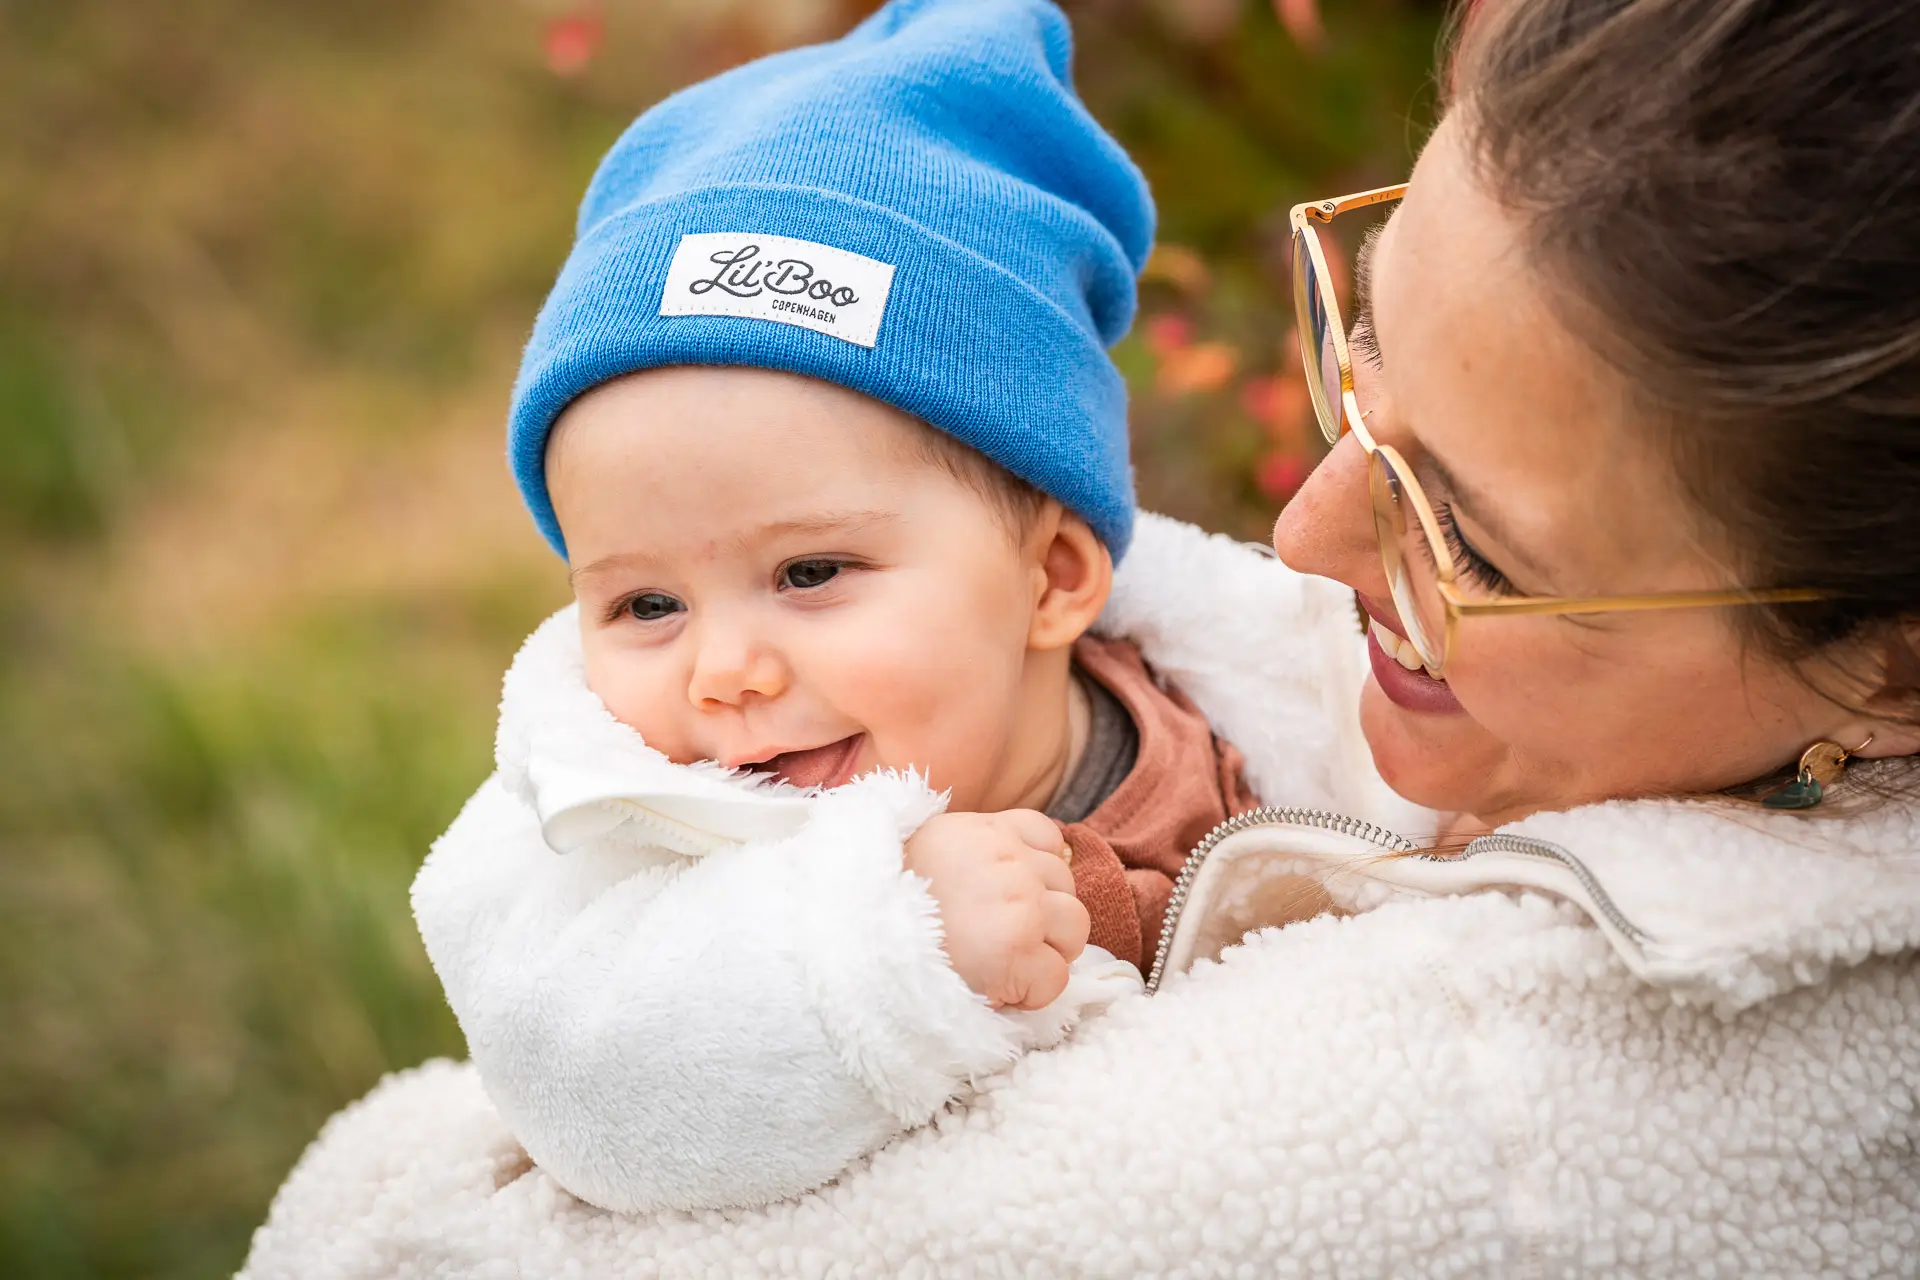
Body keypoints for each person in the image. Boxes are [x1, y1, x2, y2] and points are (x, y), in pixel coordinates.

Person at [242, 0, 1920, 1274]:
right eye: (1363, 353)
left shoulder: (1510, 1113)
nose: (1300, 538)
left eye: (1470, 531)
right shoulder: (672, 821)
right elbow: (582, 1053)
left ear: (1052, 571)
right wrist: (875, 962)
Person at [407, 0, 1261, 1217]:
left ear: (1055, 579)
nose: (726, 670)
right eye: (647, 601)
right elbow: (588, 1082)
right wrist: (889, 953)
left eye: (809, 573)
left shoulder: (1245, 687)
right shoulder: (615, 831)